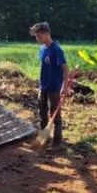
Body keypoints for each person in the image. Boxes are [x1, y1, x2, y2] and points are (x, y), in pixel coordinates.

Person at [30, 22, 69, 150]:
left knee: (55, 116)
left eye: (39, 36)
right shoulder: (42, 49)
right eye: (36, 37)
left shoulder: (56, 50)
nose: (37, 39)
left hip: (54, 88)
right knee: (42, 114)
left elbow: (65, 68)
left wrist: (65, 86)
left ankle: (57, 143)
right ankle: (44, 138)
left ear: (46, 34)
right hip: (43, 87)